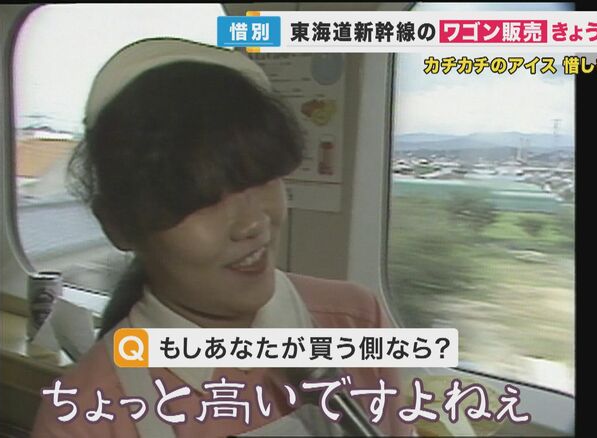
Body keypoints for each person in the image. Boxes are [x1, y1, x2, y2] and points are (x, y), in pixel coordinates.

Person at [31, 38, 410, 437]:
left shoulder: (354, 321)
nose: (253, 224)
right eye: (203, 200)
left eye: (261, 177)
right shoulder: (85, 414)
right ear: (120, 225)